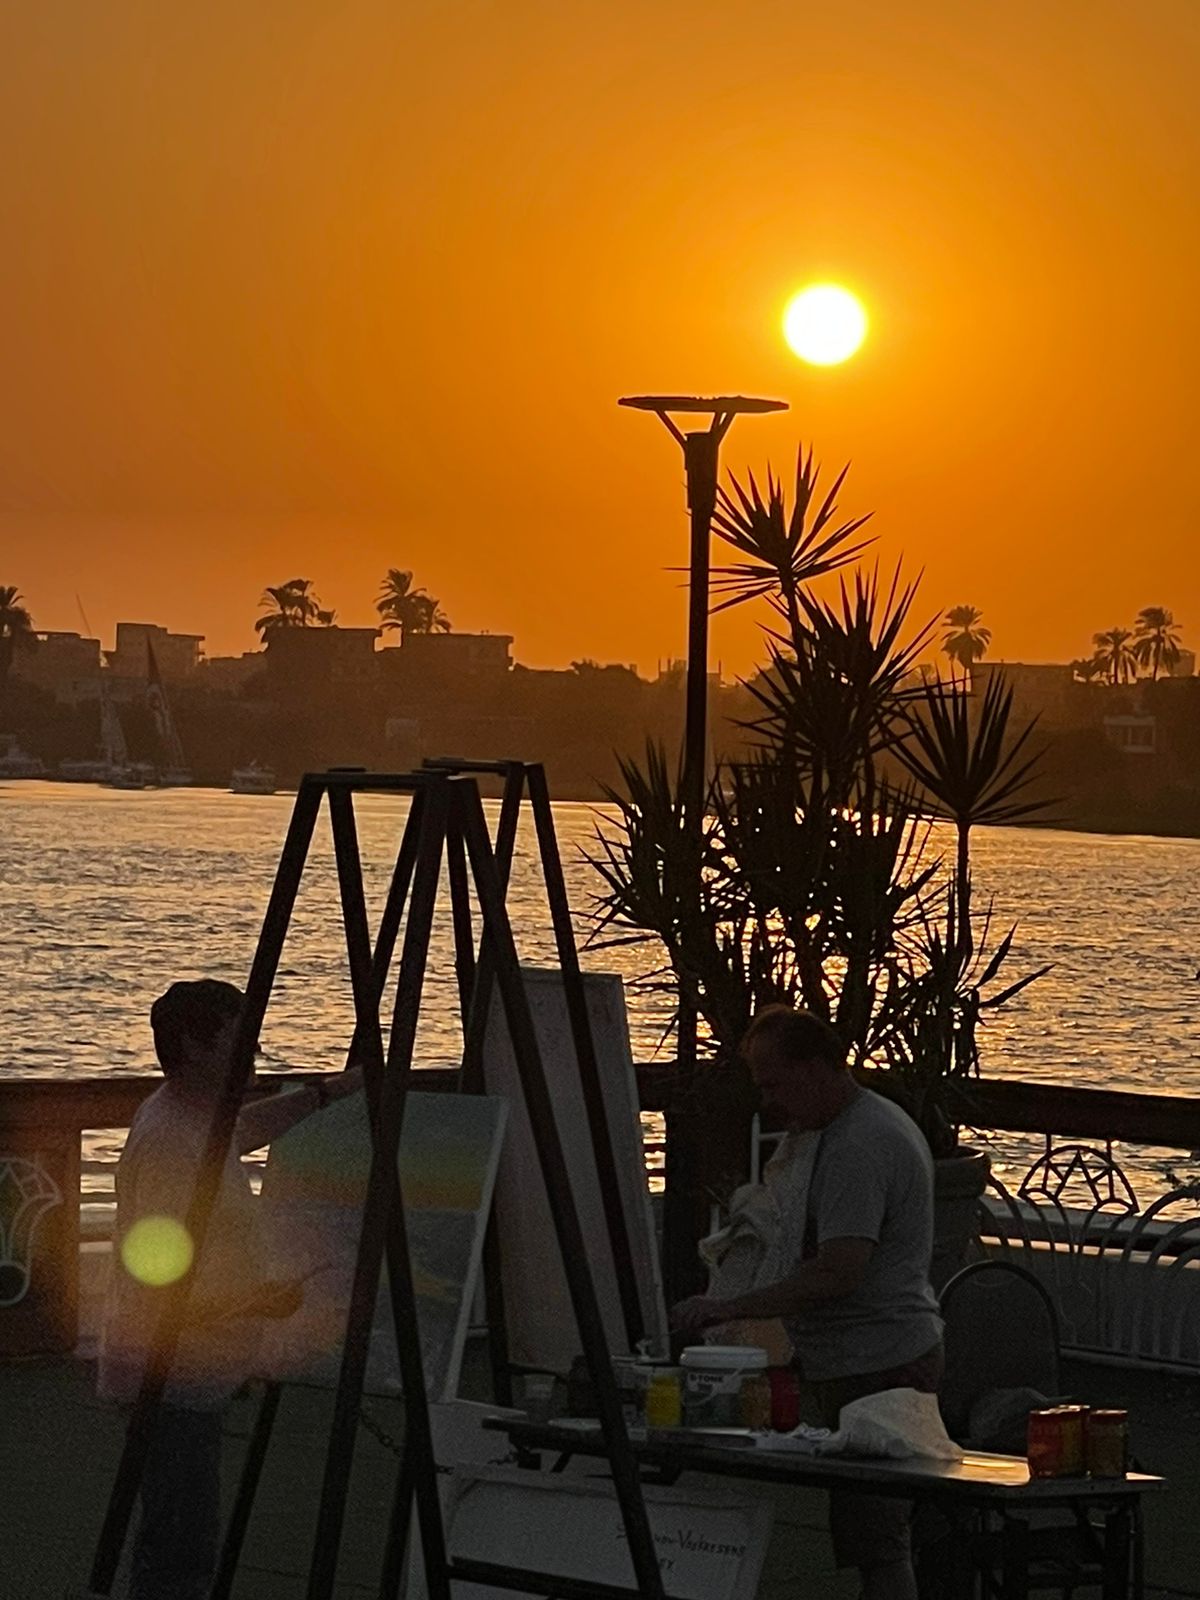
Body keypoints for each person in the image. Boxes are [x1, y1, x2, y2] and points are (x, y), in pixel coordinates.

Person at [99, 978, 362, 1600]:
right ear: (195, 1045)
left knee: (180, 1535)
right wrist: (255, 1300)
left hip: (188, 1370)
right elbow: (157, 1283)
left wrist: (326, 1094)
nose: (254, 1056)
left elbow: (241, 1132)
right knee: (179, 1552)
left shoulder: (190, 1117)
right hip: (169, 1375)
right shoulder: (170, 1142)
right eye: (241, 1042)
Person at [671, 1004, 942, 1600]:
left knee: (878, 1543)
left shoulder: (857, 1148)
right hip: (871, 1357)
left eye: (775, 1084)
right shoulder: (865, 1125)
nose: (769, 1101)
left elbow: (839, 1271)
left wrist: (732, 1306)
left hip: (879, 1364)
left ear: (816, 1067)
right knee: (875, 1537)